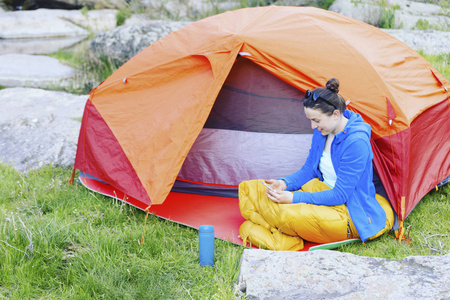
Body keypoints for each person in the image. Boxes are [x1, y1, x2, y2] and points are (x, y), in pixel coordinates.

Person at [238, 78, 394, 251]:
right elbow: (308, 170)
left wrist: (294, 198)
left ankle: (281, 234)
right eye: (310, 120)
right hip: (321, 191)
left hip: (348, 210)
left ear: (335, 114)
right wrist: (284, 183)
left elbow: (340, 195)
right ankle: (279, 229)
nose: (313, 126)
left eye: (316, 120)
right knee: (249, 188)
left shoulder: (356, 142)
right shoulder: (324, 131)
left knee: (287, 213)